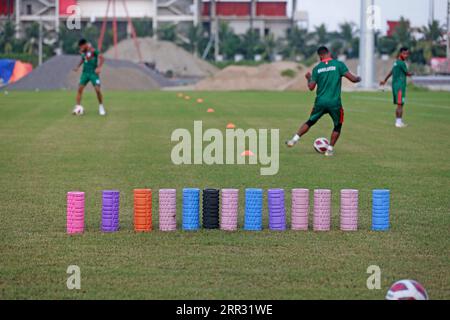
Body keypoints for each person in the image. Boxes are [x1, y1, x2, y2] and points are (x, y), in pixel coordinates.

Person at [286, 46, 361, 156]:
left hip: (320, 102)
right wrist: (360, 78)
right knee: (338, 125)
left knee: (310, 121)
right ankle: (329, 149)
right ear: (328, 53)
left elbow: (311, 87)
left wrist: (308, 78)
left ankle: (293, 140)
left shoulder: (317, 68)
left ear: (320, 56)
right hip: (334, 102)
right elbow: (353, 79)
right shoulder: (338, 65)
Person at [380, 47, 412, 128]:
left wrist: (385, 80)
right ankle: (398, 123)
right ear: (400, 53)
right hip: (400, 86)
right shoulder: (401, 63)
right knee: (400, 105)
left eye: (407, 54)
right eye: (404, 53)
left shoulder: (396, 62)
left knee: (399, 104)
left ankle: (398, 122)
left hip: (395, 86)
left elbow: (391, 72)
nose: (406, 55)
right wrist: (412, 73)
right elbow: (407, 73)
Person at [73, 39, 106, 116]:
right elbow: (83, 59)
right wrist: (77, 67)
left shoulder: (94, 50)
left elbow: (102, 58)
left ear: (85, 45)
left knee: (97, 90)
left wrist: (99, 68)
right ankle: (78, 107)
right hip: (85, 73)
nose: (80, 49)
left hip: (93, 73)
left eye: (81, 47)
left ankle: (101, 107)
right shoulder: (83, 52)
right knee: (79, 89)